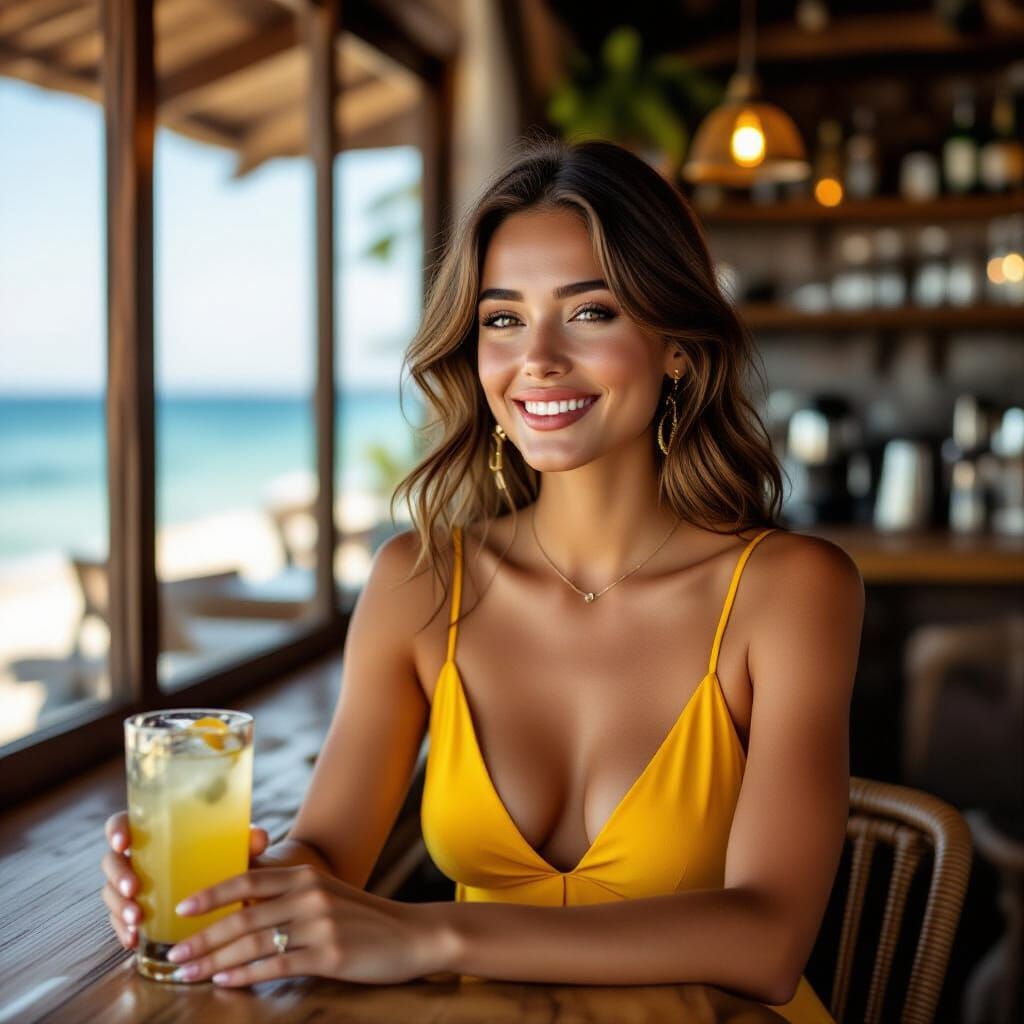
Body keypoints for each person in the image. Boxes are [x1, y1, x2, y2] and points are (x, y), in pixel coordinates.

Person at [101, 138, 864, 1020]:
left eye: (591, 313)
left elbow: (767, 941)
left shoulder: (791, 589)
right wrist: (219, 891)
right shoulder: (418, 583)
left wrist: (430, 935)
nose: (535, 358)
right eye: (502, 319)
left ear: (680, 349)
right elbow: (324, 854)